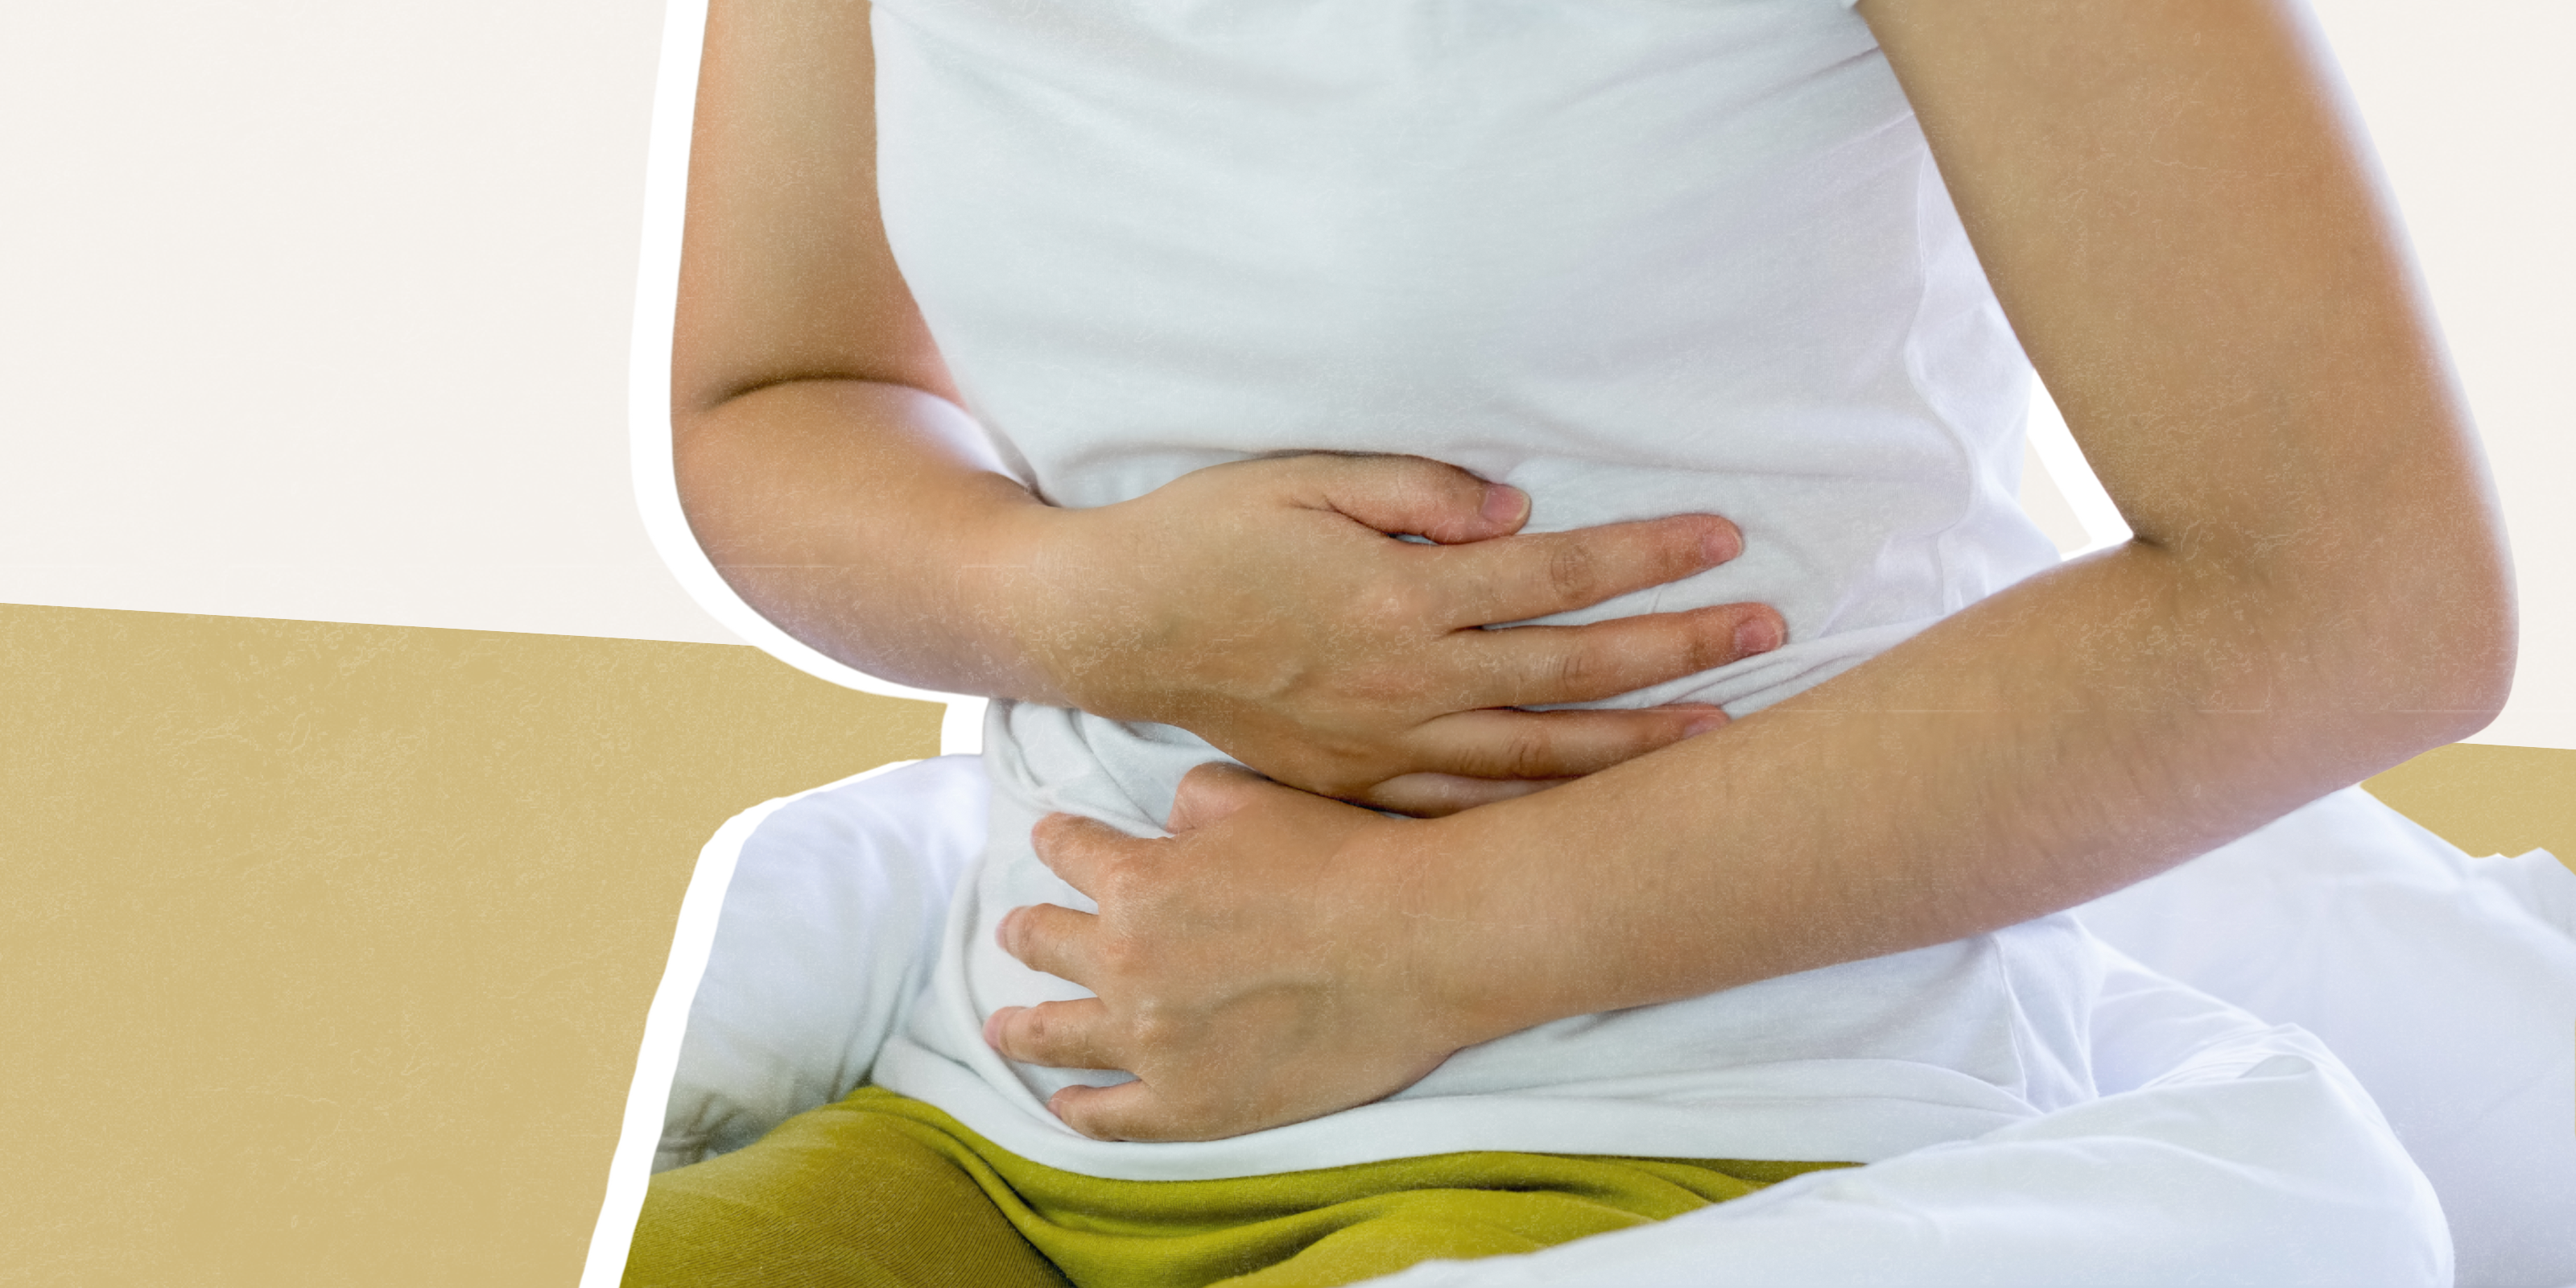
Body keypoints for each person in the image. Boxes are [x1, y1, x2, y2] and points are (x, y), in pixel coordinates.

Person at [625, 0, 2531, 1283]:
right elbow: (777, 393)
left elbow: (2356, 591)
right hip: (1016, 1092)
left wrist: (1423, 945)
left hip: (1691, 1113)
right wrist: (1087, 606)